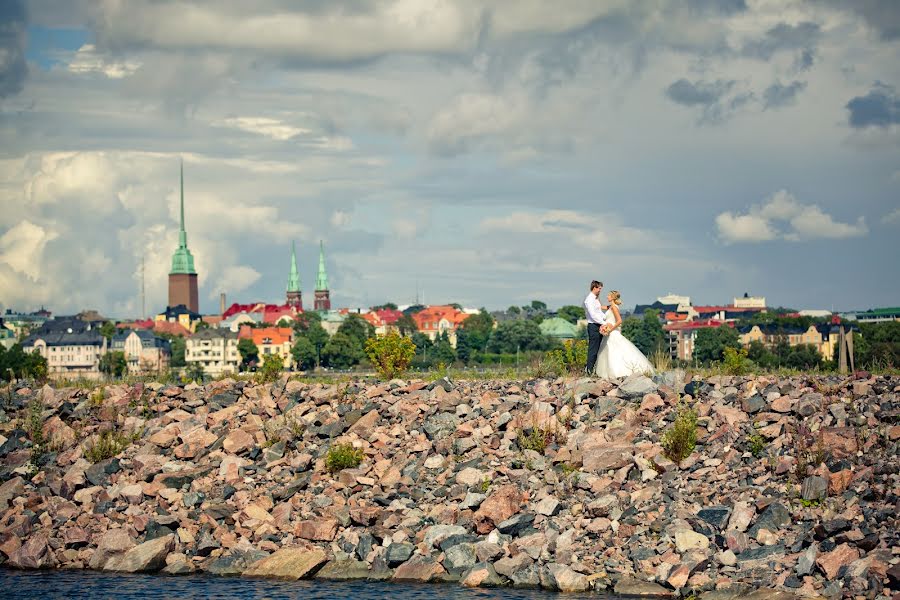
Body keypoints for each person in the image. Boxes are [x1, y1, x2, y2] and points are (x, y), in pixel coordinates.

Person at [595, 290, 655, 378]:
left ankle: (617, 373)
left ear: (612, 297)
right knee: (608, 351)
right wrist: (597, 296)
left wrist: (610, 329)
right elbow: (600, 306)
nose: (607, 297)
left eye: (608, 295)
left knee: (614, 352)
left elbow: (619, 321)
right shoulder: (610, 307)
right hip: (609, 333)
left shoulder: (614, 307)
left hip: (613, 333)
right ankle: (607, 374)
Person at [583, 280, 606, 374]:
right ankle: (589, 371)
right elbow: (593, 315)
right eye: (599, 288)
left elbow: (599, 312)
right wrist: (603, 323)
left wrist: (605, 320)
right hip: (593, 326)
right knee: (593, 349)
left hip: (599, 325)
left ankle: (594, 370)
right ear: (594, 288)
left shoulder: (596, 299)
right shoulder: (589, 300)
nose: (600, 290)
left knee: (598, 349)